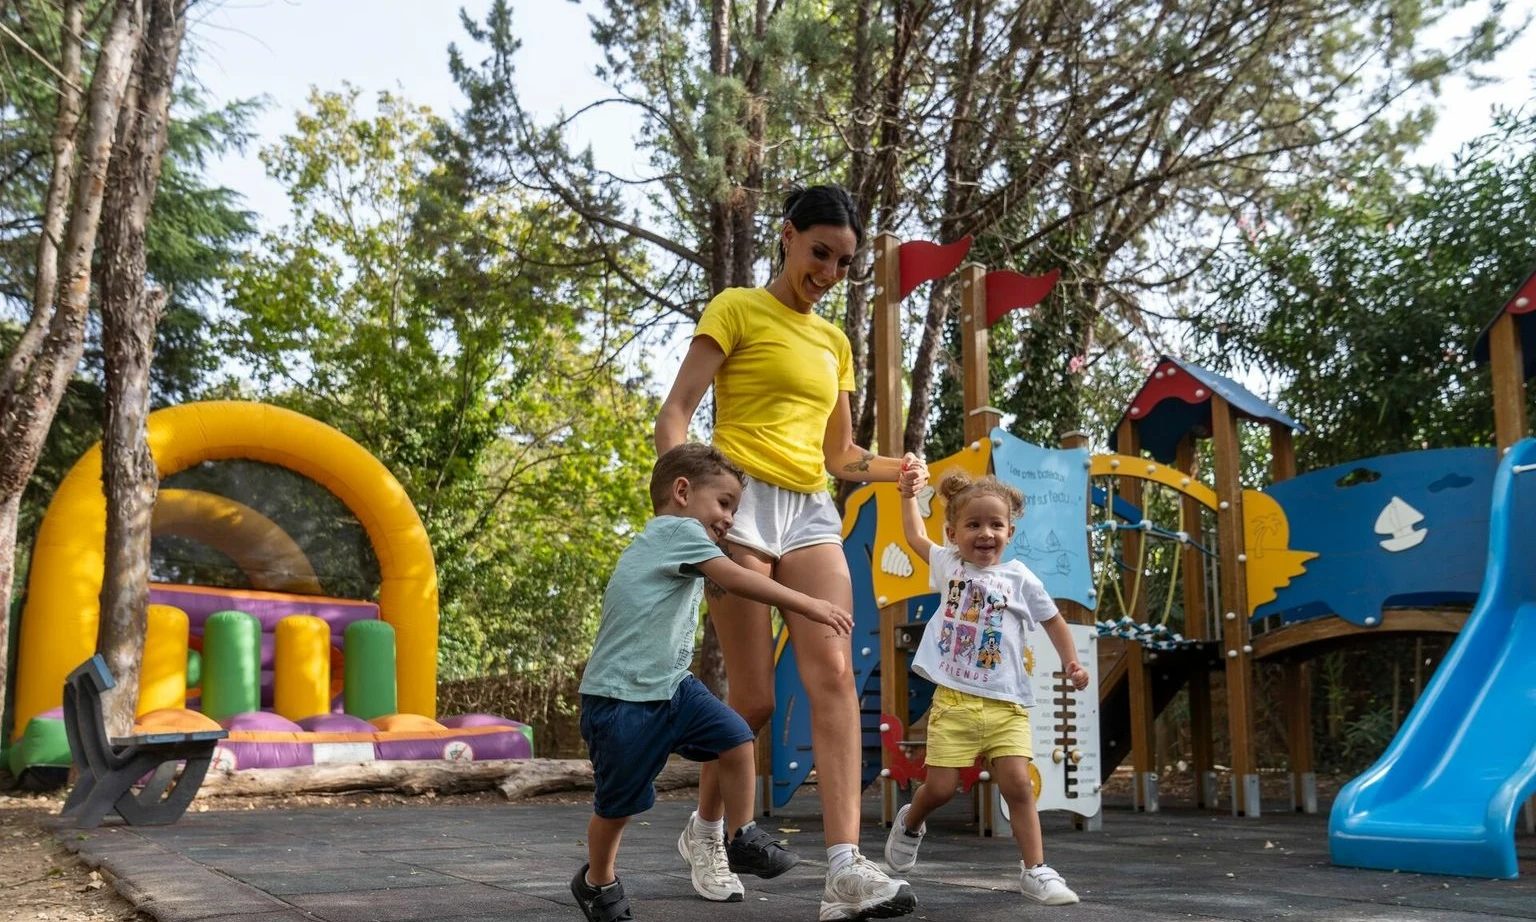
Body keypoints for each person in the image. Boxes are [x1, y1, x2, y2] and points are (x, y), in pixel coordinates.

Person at [655, 184, 920, 920]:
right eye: (820, 253)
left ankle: (845, 868)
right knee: (754, 700)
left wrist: (892, 468)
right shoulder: (737, 308)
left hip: (808, 508)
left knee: (834, 669)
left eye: (843, 262)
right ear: (788, 236)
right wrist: (682, 508)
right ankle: (707, 830)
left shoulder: (834, 343)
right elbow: (677, 410)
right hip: (738, 503)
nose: (830, 272)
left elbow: (839, 456)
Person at [571, 443, 856, 922]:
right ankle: (597, 880)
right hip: (621, 700)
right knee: (618, 806)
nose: (729, 519)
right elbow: (737, 578)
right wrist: (810, 605)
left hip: (672, 687)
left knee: (736, 736)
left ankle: (741, 834)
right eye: (724, 504)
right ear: (682, 492)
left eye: (735, 510)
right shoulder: (674, 531)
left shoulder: (676, 542)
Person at [884, 461, 1089, 906]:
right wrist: (905, 496)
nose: (985, 533)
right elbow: (916, 537)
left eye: (996, 525)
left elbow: (1053, 621)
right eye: (973, 524)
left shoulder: (1020, 579)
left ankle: (1035, 869)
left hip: (1006, 704)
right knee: (939, 789)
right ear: (953, 532)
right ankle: (912, 820)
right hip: (955, 702)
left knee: (1018, 784)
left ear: (1010, 532)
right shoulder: (948, 566)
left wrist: (1071, 662)